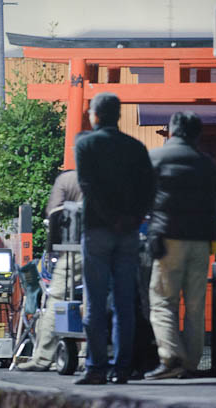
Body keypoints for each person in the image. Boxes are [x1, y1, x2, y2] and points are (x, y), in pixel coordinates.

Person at [75, 92, 155, 384]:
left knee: (95, 302)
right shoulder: (136, 147)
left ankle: (96, 367)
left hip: (97, 228)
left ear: (95, 115)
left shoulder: (85, 145)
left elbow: (88, 186)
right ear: (118, 115)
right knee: (126, 302)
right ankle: (122, 368)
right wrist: (132, 219)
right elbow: (149, 188)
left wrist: (110, 218)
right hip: (129, 231)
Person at [144, 111, 216, 380]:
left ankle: (171, 357)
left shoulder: (156, 158)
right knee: (195, 304)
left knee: (162, 301)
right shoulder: (207, 163)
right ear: (197, 134)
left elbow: (145, 198)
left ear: (171, 130)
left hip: (169, 238)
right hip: (201, 240)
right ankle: (190, 363)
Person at [17, 170, 83, 371]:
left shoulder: (68, 179)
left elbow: (54, 212)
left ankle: (43, 358)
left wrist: (53, 247)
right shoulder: (115, 175)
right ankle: (88, 355)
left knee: (56, 298)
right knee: (98, 299)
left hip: (77, 247)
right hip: (116, 245)